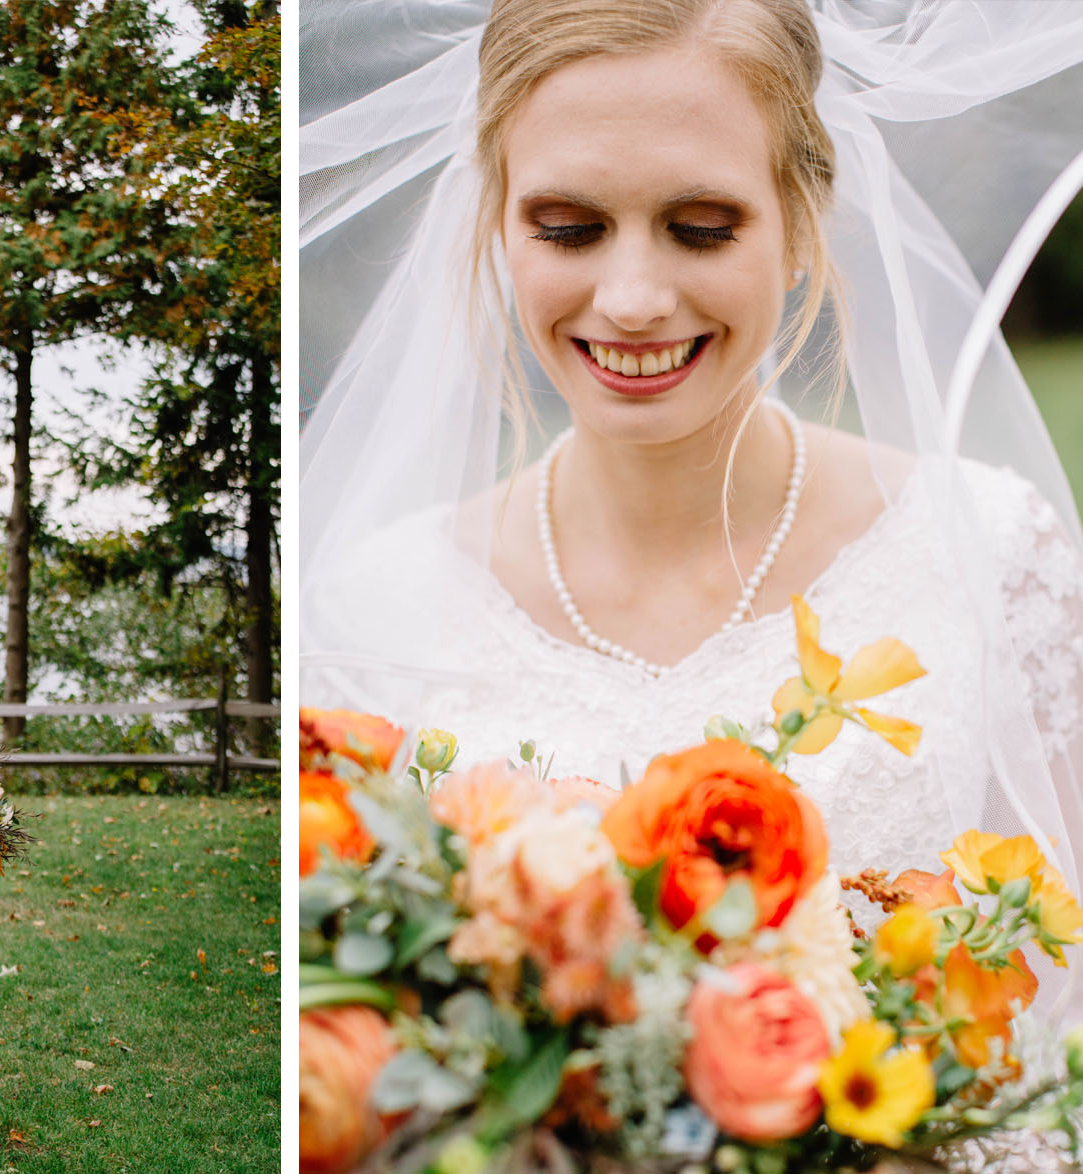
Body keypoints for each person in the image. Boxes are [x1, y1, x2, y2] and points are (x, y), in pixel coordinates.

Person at [302, 0, 1083, 986]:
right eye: (570, 229)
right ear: (498, 226)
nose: (630, 297)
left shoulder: (991, 553)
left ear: (800, 220)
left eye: (700, 229)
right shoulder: (372, 610)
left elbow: (1060, 1009)